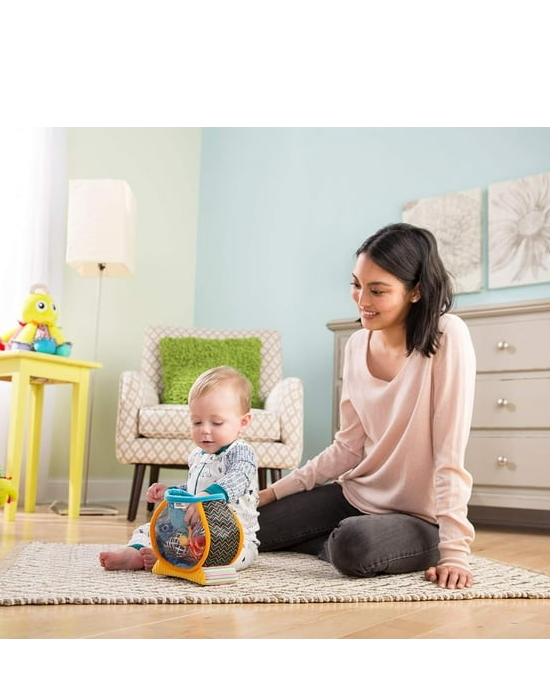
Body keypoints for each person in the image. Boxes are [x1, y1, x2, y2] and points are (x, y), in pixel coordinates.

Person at [257, 222, 477, 589]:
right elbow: (347, 447)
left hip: (419, 517)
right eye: (357, 285)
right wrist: (274, 492)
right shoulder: (357, 345)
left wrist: (455, 552)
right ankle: (330, 541)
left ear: (416, 292)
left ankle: (368, 543)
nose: (362, 301)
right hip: (355, 495)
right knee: (249, 523)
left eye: (377, 291)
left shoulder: (447, 336)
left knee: (354, 545)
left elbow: (449, 453)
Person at [100, 365, 260, 572]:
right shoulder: (198, 456)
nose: (205, 430)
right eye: (196, 422)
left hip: (232, 536)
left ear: (243, 422)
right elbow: (195, 487)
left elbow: (237, 479)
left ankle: (169, 559)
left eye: (217, 423)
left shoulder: (241, 452)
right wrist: (171, 492)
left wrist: (203, 498)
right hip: (192, 530)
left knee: (221, 557)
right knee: (149, 529)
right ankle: (135, 553)